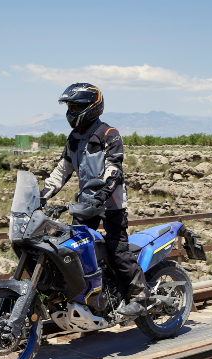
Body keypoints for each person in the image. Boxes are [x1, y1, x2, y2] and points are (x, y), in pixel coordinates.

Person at [40, 83, 149, 317]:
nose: (71, 112)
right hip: (85, 205)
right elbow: (62, 170)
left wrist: (102, 193)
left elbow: (114, 169)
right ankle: (87, 297)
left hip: (111, 204)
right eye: (69, 107)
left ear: (91, 107)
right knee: (73, 250)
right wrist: (42, 194)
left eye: (76, 107)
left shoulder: (109, 134)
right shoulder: (74, 138)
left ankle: (139, 296)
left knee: (117, 249)